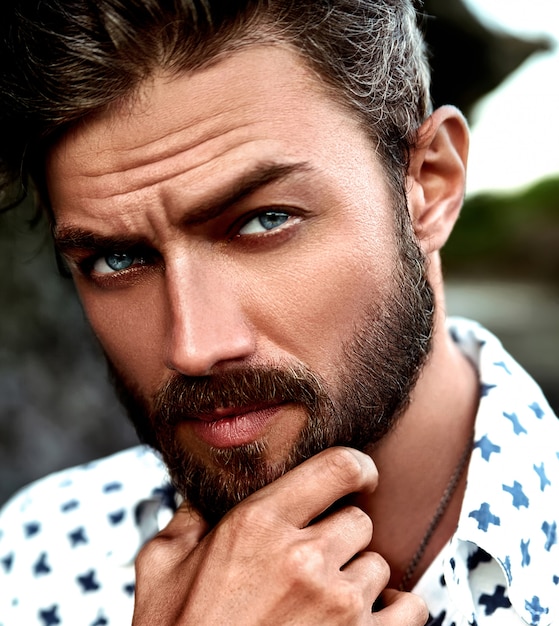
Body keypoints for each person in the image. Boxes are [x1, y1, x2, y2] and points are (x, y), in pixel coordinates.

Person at [0, 0, 557, 624]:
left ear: (430, 185)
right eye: (115, 261)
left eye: (266, 220)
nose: (194, 346)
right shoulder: (32, 555)